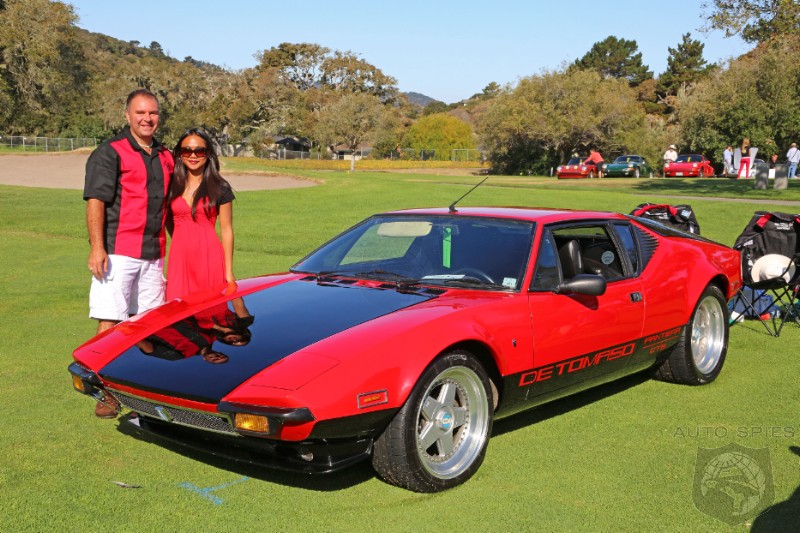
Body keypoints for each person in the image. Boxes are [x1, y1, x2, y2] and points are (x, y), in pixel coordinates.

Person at [83, 88, 174, 418]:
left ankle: (144, 395)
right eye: (140, 113)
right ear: (127, 115)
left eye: (152, 113)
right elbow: (96, 201)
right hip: (118, 252)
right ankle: (104, 392)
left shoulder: (165, 156)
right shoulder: (110, 152)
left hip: (154, 254)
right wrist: (97, 248)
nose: (147, 119)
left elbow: (170, 207)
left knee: (149, 325)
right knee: (111, 321)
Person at [166, 127, 235, 301]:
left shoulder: (220, 188)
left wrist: (228, 272)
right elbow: (168, 220)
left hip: (209, 257)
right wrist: (182, 240)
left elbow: (227, 231)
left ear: (208, 154)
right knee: (177, 310)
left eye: (199, 151)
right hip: (179, 259)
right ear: (180, 154)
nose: (193, 155)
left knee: (209, 310)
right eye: (186, 150)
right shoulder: (171, 185)